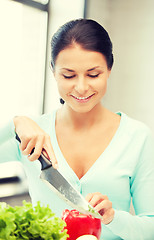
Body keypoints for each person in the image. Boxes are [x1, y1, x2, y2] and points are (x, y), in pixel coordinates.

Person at [0, 18, 154, 240]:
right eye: (68, 75)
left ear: (109, 68)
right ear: (53, 71)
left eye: (93, 74)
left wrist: (113, 217)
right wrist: (15, 122)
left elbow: (150, 228)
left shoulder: (138, 137)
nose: (81, 87)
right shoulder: (31, 136)